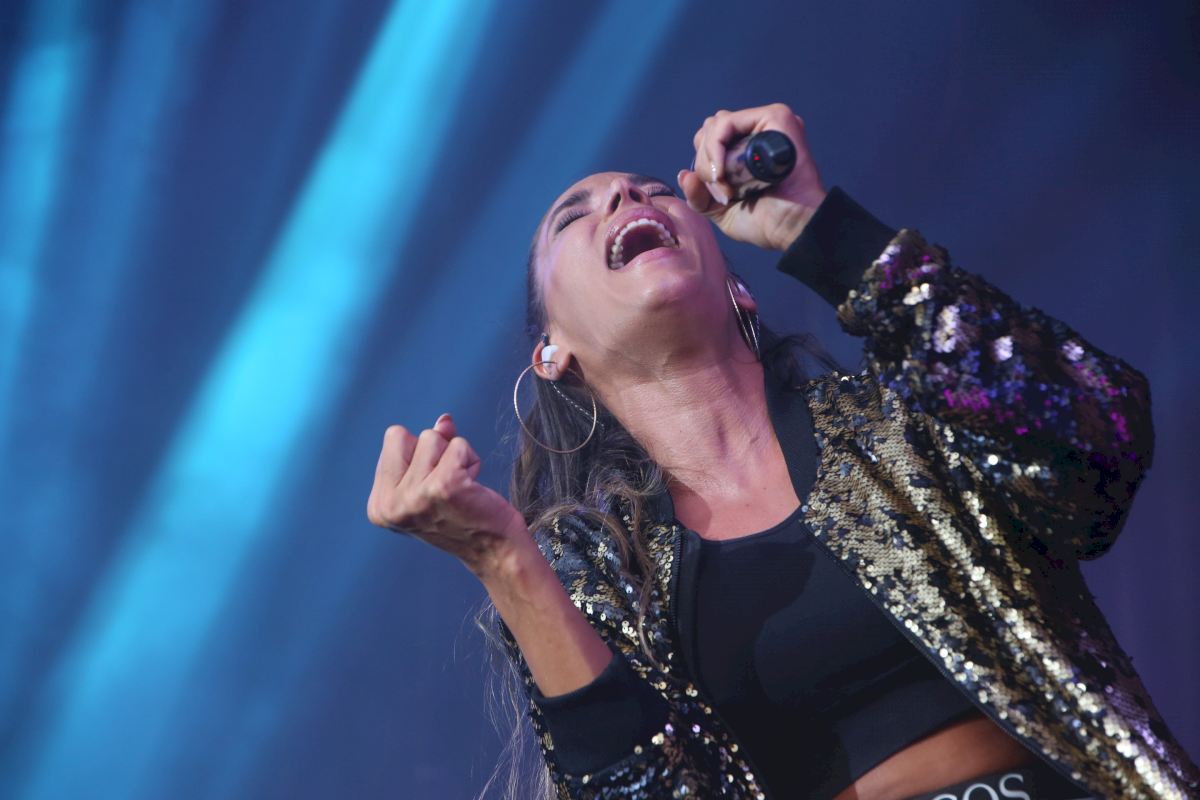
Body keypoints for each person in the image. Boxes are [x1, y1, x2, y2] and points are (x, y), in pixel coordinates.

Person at [365, 103, 1200, 799]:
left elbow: (1097, 435)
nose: (624, 194)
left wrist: (824, 230)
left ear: (738, 286)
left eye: (653, 190)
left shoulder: (903, 419)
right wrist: (503, 560)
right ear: (553, 354)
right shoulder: (599, 573)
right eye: (574, 217)